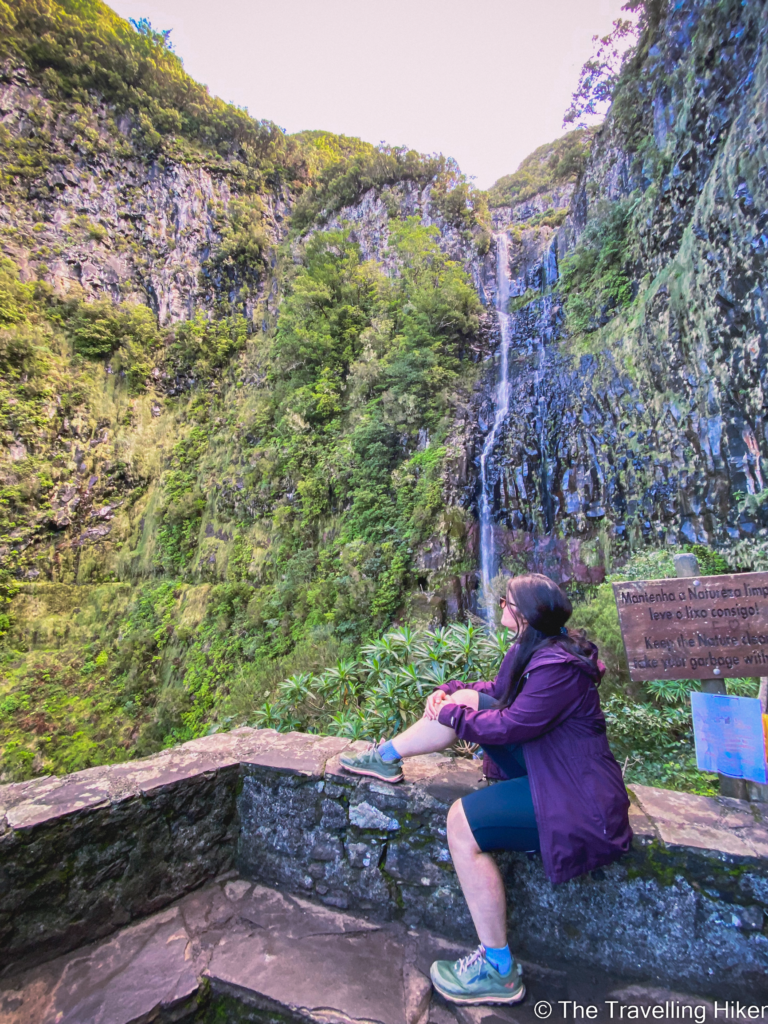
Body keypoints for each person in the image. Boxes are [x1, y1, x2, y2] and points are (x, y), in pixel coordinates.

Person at [339, 572, 632, 1007]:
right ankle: (385, 757)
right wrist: (450, 692)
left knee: (460, 823)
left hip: (574, 796)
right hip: (548, 767)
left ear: (524, 616)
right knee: (462, 704)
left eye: (506, 602)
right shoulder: (533, 649)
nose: (499, 608)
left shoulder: (558, 668)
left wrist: (451, 719)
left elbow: (514, 724)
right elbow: (497, 695)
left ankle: (498, 969)